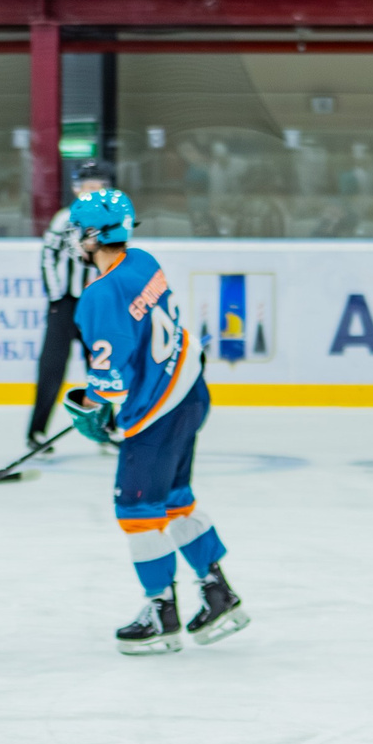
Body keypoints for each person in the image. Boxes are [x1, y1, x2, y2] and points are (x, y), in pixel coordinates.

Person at [60, 188, 248, 653]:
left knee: (137, 513)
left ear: (92, 236)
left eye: (79, 234)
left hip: (156, 413)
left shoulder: (99, 296)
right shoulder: (144, 260)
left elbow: (110, 378)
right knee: (176, 501)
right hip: (190, 393)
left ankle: (161, 613)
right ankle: (218, 592)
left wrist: (91, 407)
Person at [29, 160, 115, 447]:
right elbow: (47, 257)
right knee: (52, 368)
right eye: (87, 186)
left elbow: (116, 264)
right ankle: (36, 431)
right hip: (65, 306)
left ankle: (107, 427)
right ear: (76, 188)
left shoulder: (112, 220)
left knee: (101, 367)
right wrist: (56, 297)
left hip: (96, 308)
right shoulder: (64, 219)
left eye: (98, 186)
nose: (92, 191)